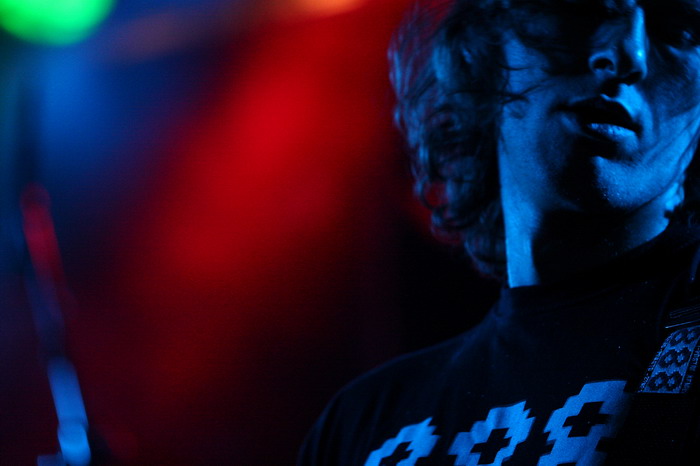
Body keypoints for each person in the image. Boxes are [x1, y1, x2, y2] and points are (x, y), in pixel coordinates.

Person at [299, 0, 700, 463]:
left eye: (678, 27)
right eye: (584, 8)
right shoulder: (361, 422)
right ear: (485, 47)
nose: (628, 55)